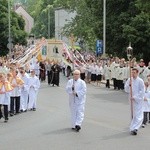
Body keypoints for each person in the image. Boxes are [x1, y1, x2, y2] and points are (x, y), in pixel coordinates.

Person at [125, 68, 145, 135]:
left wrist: (136, 97)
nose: (133, 74)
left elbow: (142, 91)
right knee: (133, 114)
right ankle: (133, 128)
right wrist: (129, 85)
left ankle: (136, 128)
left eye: (134, 72)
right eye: (132, 72)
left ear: (137, 73)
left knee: (138, 114)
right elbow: (126, 89)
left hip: (138, 100)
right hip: (131, 99)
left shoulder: (140, 81)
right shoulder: (129, 80)